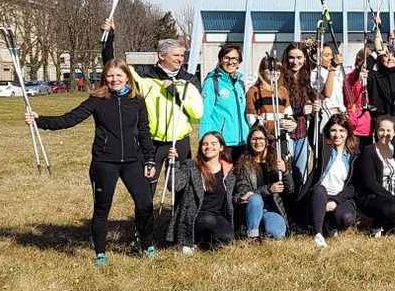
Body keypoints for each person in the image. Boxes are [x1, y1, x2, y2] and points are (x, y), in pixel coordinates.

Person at [25, 59, 156, 267]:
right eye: (111, 76)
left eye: (119, 75)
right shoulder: (97, 100)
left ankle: (146, 244)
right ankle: (100, 253)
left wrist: (150, 159)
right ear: (105, 78)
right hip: (104, 162)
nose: (115, 79)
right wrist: (39, 120)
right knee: (102, 208)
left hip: (133, 161)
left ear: (127, 77)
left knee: (145, 204)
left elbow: (144, 132)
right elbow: (69, 119)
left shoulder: (137, 100)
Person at [101, 19, 203, 193]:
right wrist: (109, 37)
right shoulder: (144, 75)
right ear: (162, 56)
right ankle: (145, 220)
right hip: (151, 142)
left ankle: (180, 220)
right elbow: (112, 66)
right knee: (147, 185)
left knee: (181, 186)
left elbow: (196, 111)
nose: (181, 59)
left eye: (182, 55)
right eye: (176, 55)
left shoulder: (190, 79)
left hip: (179, 141)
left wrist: (177, 92)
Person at [166, 131, 238, 252]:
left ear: (221, 147)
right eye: (205, 144)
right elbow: (174, 186)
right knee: (208, 220)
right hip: (194, 215)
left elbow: (233, 195)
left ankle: (203, 243)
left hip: (218, 215)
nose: (209, 147)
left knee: (227, 238)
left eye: (214, 143)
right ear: (200, 148)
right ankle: (190, 241)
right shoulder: (191, 166)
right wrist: (173, 164)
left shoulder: (229, 170)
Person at [352, 115, 395, 236]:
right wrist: (392, 198)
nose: (385, 134)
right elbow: (370, 183)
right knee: (393, 209)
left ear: (394, 132)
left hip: (394, 202)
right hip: (372, 199)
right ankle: (375, 227)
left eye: (388, 130)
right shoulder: (368, 151)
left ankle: (382, 225)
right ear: (376, 131)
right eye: (381, 130)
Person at [301, 114, 359, 248]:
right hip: (320, 195)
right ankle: (318, 234)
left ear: (347, 133)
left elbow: (353, 186)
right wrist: (316, 115)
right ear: (328, 132)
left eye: (341, 131)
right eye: (333, 130)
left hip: (340, 197)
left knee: (346, 218)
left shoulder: (354, 155)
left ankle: (329, 223)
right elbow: (313, 135)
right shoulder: (324, 148)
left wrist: (336, 201)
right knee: (320, 189)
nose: (337, 134)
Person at [235, 125, 292, 240]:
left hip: (271, 207)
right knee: (255, 198)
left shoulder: (276, 159)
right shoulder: (244, 163)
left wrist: (285, 172)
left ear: (266, 141)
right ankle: (252, 235)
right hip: (252, 207)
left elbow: (290, 189)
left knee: (277, 234)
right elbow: (245, 192)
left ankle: (261, 227)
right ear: (249, 141)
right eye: (254, 139)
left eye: (261, 138)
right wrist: (268, 189)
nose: (258, 142)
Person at [199, 43, 248, 160]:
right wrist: (205, 142)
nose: (231, 62)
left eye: (235, 59)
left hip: (243, 140)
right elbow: (205, 115)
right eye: (227, 58)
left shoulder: (240, 83)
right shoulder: (212, 82)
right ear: (221, 60)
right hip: (223, 142)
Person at [281, 43, 319, 182]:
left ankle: (298, 200)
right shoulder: (281, 78)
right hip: (286, 132)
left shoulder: (307, 77)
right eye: (291, 57)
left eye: (299, 57)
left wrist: (314, 106)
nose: (295, 61)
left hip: (303, 132)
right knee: (286, 171)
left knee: (300, 171)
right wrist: (301, 110)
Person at [245, 55, 294, 155]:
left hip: (281, 137)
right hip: (264, 139)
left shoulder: (283, 91)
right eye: (270, 70)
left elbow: (288, 114)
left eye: (278, 70)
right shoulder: (254, 91)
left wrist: (291, 124)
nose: (275, 73)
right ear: (262, 71)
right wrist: (270, 128)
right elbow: (251, 119)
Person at [343, 49, 373, 148]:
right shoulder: (349, 77)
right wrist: (359, 82)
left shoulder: (375, 75)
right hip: (357, 124)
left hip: (372, 124)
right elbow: (350, 100)